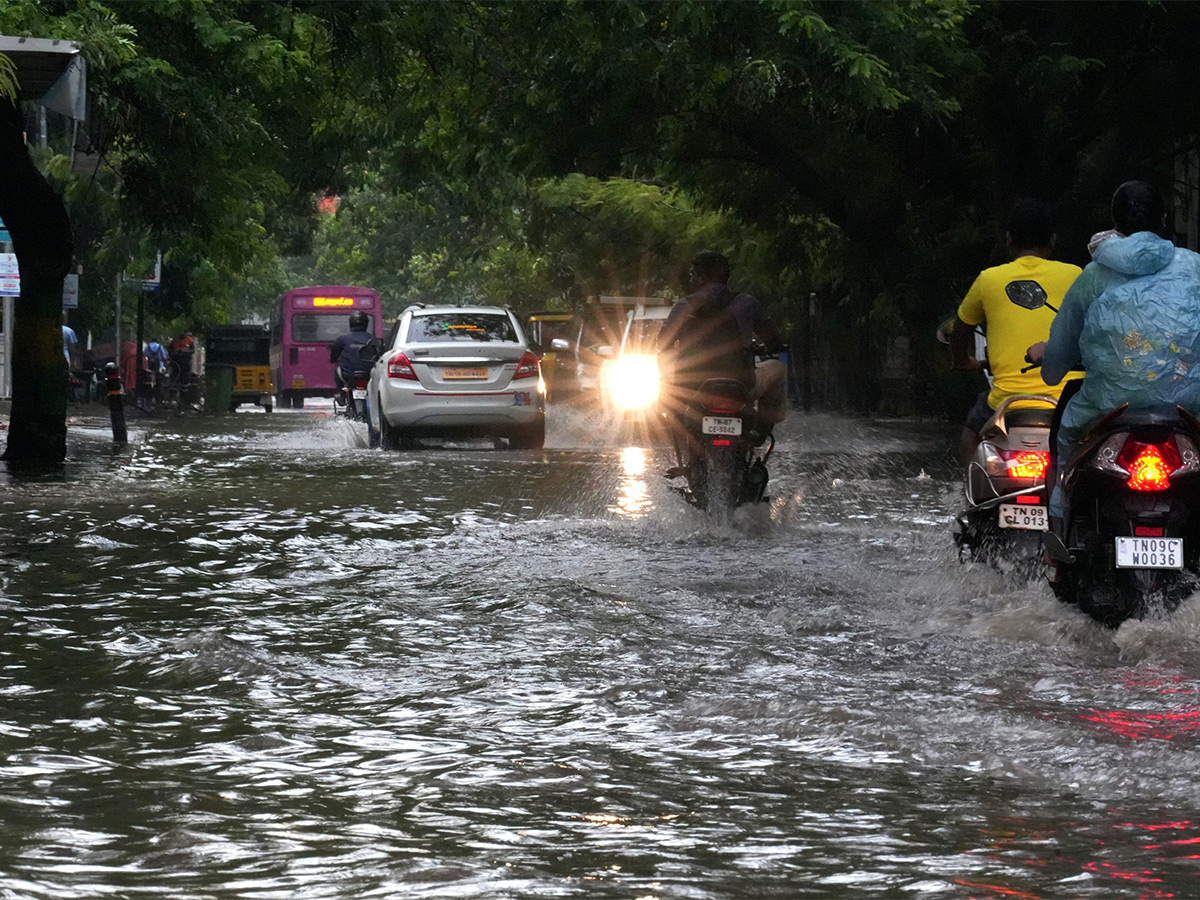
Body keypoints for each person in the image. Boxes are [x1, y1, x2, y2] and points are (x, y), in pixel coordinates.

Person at [1027, 180, 1200, 519]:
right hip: (1189, 409)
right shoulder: (1194, 267)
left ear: (1115, 223)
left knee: (1065, 446)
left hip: (1106, 409)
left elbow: (1054, 367)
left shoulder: (1091, 277)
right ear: (1163, 218)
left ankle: (1059, 526)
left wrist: (1047, 358)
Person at [951, 198, 1082, 465]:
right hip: (1070, 400)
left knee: (971, 429)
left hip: (1005, 402)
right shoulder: (1076, 275)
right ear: (1053, 240)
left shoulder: (988, 279)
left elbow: (960, 329)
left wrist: (962, 361)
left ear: (1009, 240)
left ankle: (970, 491)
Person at [657, 250, 787, 429]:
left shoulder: (684, 305)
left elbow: (662, 343)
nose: (690, 280)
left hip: (693, 386)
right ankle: (762, 426)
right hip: (741, 383)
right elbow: (774, 341)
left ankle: (678, 426)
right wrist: (772, 346)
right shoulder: (747, 303)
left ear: (701, 278)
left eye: (692, 275)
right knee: (778, 367)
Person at [329, 310, 373, 388]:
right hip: (369, 374)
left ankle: (341, 392)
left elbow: (334, 357)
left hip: (347, 375)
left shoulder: (342, 339)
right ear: (366, 323)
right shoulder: (372, 339)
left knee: (337, 368)